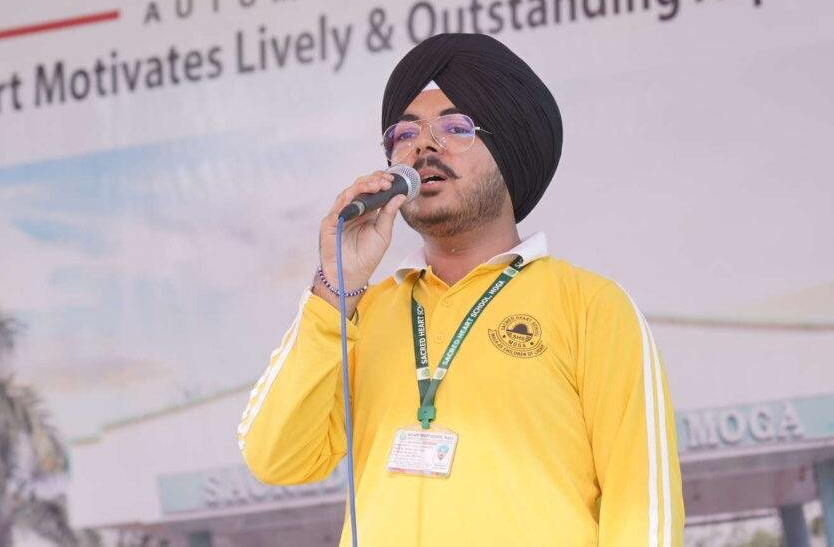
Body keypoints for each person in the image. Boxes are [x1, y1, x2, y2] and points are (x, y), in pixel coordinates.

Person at [237, 33, 684, 546]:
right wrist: (336, 287)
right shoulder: (360, 314)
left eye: (455, 127)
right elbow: (276, 457)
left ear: (510, 146)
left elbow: (643, 509)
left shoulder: (590, 307)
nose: (423, 147)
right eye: (405, 133)